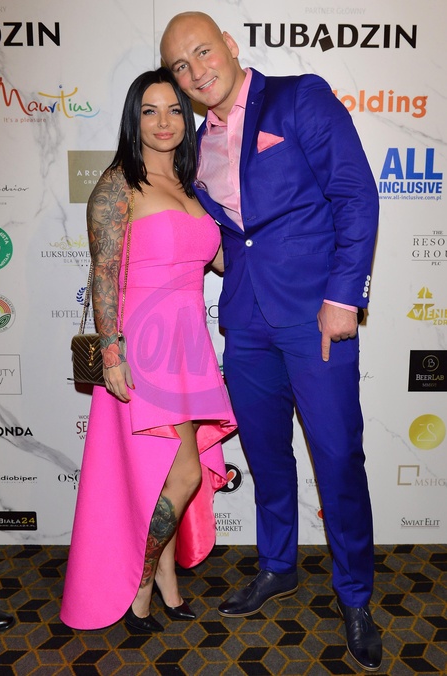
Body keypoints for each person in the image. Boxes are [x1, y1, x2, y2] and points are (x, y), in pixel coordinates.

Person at [160, 12, 382, 671]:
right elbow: (231, 234)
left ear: (230, 46)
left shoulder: (298, 97)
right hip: (247, 323)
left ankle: (355, 596)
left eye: (204, 52)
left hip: (316, 316)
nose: (197, 71)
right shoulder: (196, 144)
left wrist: (344, 296)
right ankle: (278, 565)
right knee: (265, 454)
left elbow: (355, 195)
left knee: (337, 458)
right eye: (180, 66)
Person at [60, 67, 236, 633]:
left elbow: (221, 260)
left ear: (187, 118)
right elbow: (102, 271)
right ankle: (138, 584)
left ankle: (167, 583)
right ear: (133, 120)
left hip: (188, 342)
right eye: (150, 111)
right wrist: (111, 353)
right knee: (182, 475)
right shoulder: (118, 183)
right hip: (143, 345)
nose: (164, 122)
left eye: (175, 110)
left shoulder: (193, 185)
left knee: (165, 475)